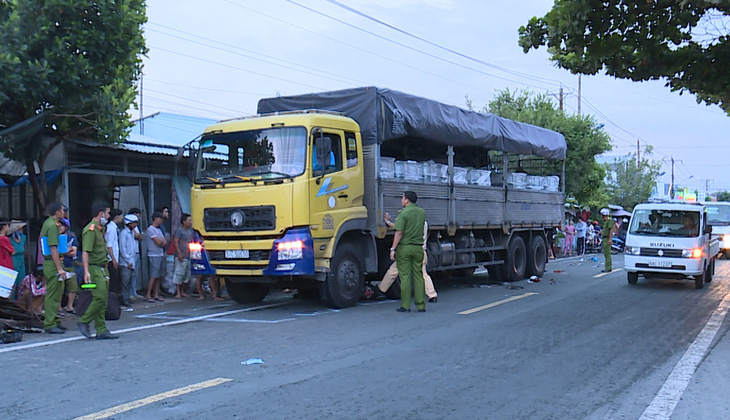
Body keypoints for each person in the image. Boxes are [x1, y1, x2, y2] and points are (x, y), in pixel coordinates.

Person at [374, 212, 438, 302]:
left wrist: (387, 221)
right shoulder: (424, 223)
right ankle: (432, 295)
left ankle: (381, 290)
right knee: (423, 274)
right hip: (420, 251)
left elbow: (399, 230)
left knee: (393, 271)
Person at [77, 201, 118, 340]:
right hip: (95, 268)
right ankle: (84, 320)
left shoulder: (100, 229)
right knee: (99, 297)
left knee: (103, 300)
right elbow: (85, 252)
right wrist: (86, 271)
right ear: (100, 213)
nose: (108, 216)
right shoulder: (91, 229)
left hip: (103, 267)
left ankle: (101, 329)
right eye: (107, 213)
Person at [390, 191, 427, 313]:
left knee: (405, 276)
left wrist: (393, 248)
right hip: (418, 248)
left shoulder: (403, 213)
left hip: (405, 248)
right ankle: (421, 305)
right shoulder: (422, 213)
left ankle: (405, 306)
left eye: (402, 198)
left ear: (407, 200)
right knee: (418, 276)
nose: (402, 200)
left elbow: (399, 232)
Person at [40, 202, 68, 334]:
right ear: (56, 211)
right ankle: (50, 323)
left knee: (58, 292)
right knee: (52, 293)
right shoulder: (51, 226)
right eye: (62, 210)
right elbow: (53, 247)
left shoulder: (52, 224)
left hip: (54, 262)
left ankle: (54, 319)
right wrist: (59, 268)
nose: (64, 212)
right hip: (52, 263)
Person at [145, 211, 167, 302]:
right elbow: (158, 242)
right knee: (153, 275)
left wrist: (161, 243)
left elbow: (164, 241)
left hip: (160, 253)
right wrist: (161, 243)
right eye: (160, 218)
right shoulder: (151, 229)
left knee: (158, 276)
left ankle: (156, 294)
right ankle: (148, 294)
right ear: (156, 218)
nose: (161, 220)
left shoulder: (158, 230)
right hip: (153, 254)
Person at [58, 218, 78, 314]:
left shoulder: (72, 238)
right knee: (59, 288)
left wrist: (63, 251)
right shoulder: (55, 237)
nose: (59, 228)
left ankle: (70, 306)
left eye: (61, 225)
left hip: (69, 264)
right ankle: (59, 308)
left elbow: (73, 252)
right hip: (59, 265)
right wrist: (66, 250)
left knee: (73, 286)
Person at [119, 214, 139, 306]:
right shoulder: (124, 233)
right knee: (125, 281)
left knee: (129, 280)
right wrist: (128, 261)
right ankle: (124, 299)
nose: (135, 225)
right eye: (134, 223)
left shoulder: (131, 232)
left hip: (131, 260)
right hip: (126, 262)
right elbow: (123, 249)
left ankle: (127, 297)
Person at [173, 213, 193, 298]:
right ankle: (177, 292)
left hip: (188, 255)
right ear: (184, 222)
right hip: (180, 255)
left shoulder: (190, 231)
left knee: (186, 274)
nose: (190, 222)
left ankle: (182, 291)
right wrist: (179, 253)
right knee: (179, 273)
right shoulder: (179, 230)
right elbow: (175, 242)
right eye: (189, 220)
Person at [105, 209, 123, 295]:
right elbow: (109, 245)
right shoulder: (111, 229)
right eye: (121, 216)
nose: (122, 218)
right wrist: (114, 259)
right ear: (116, 217)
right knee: (112, 280)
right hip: (111, 259)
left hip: (113, 258)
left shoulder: (113, 228)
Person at [8, 220, 27, 300]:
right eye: (19, 228)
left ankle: (20, 302)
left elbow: (23, 247)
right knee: (13, 283)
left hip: (21, 261)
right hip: (13, 261)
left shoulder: (23, 237)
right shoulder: (9, 239)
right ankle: (11, 302)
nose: (21, 230)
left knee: (21, 281)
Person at [127, 208, 143, 298]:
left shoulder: (136, 226)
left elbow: (140, 237)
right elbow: (137, 236)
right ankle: (129, 293)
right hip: (130, 254)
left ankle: (134, 291)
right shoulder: (128, 228)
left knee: (135, 273)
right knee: (129, 274)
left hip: (136, 251)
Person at [600, 208, 617, 273]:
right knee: (606, 254)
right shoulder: (606, 222)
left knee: (607, 254)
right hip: (604, 238)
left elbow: (611, 230)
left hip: (607, 239)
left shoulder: (609, 221)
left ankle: (608, 267)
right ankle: (607, 267)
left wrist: (610, 239)